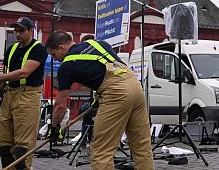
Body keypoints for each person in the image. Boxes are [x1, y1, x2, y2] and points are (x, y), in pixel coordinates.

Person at [45, 31, 154, 170]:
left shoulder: (66, 66)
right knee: (141, 146)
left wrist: (54, 128)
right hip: (135, 86)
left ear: (62, 47)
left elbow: (60, 106)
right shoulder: (98, 43)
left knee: (101, 151)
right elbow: (109, 70)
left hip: (116, 94)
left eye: (54, 55)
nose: (55, 59)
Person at [0, 17, 47, 170]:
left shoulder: (38, 48)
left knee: (22, 147)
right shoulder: (11, 49)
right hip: (9, 95)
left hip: (28, 95)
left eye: (21, 30)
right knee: (4, 145)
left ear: (30, 31)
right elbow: (7, 73)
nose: (17, 34)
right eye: (15, 30)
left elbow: (24, 73)